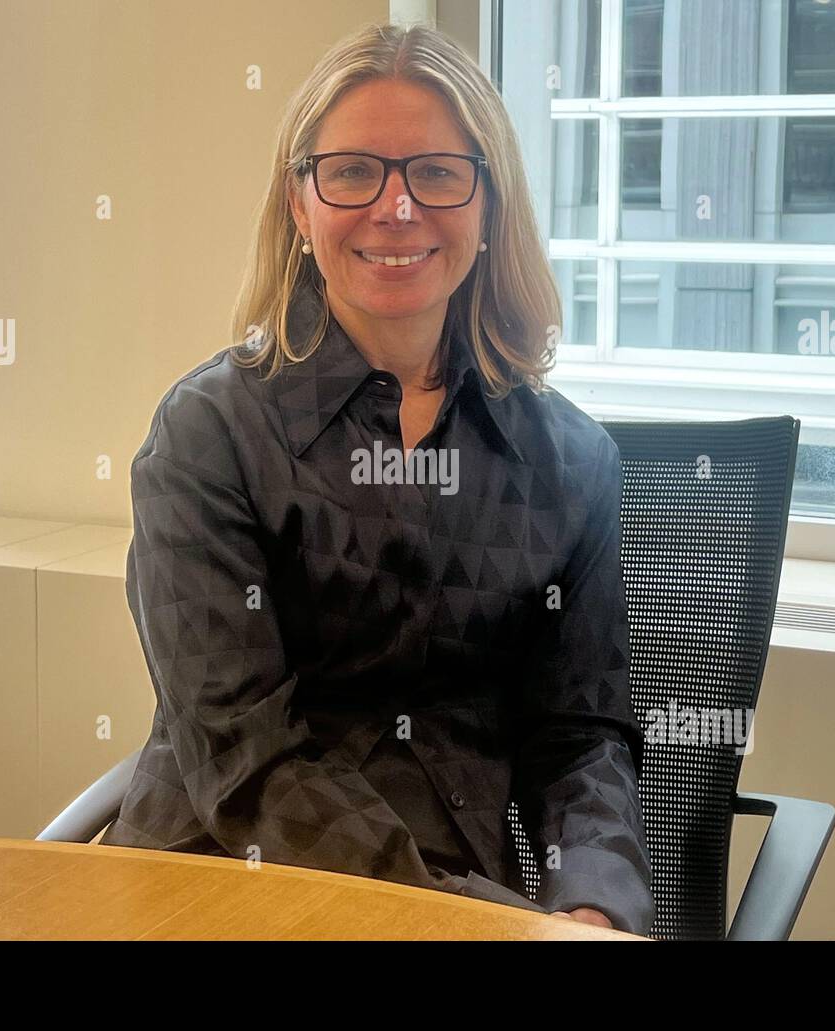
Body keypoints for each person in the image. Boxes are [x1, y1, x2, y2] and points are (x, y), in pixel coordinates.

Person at [101, 21, 655, 935]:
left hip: (473, 897)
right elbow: (245, 756)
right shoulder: (208, 437)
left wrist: (590, 906)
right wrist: (458, 919)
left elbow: (581, 734)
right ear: (299, 204)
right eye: (354, 171)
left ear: (488, 204)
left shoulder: (572, 462)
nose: (396, 208)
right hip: (220, 886)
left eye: (437, 172)